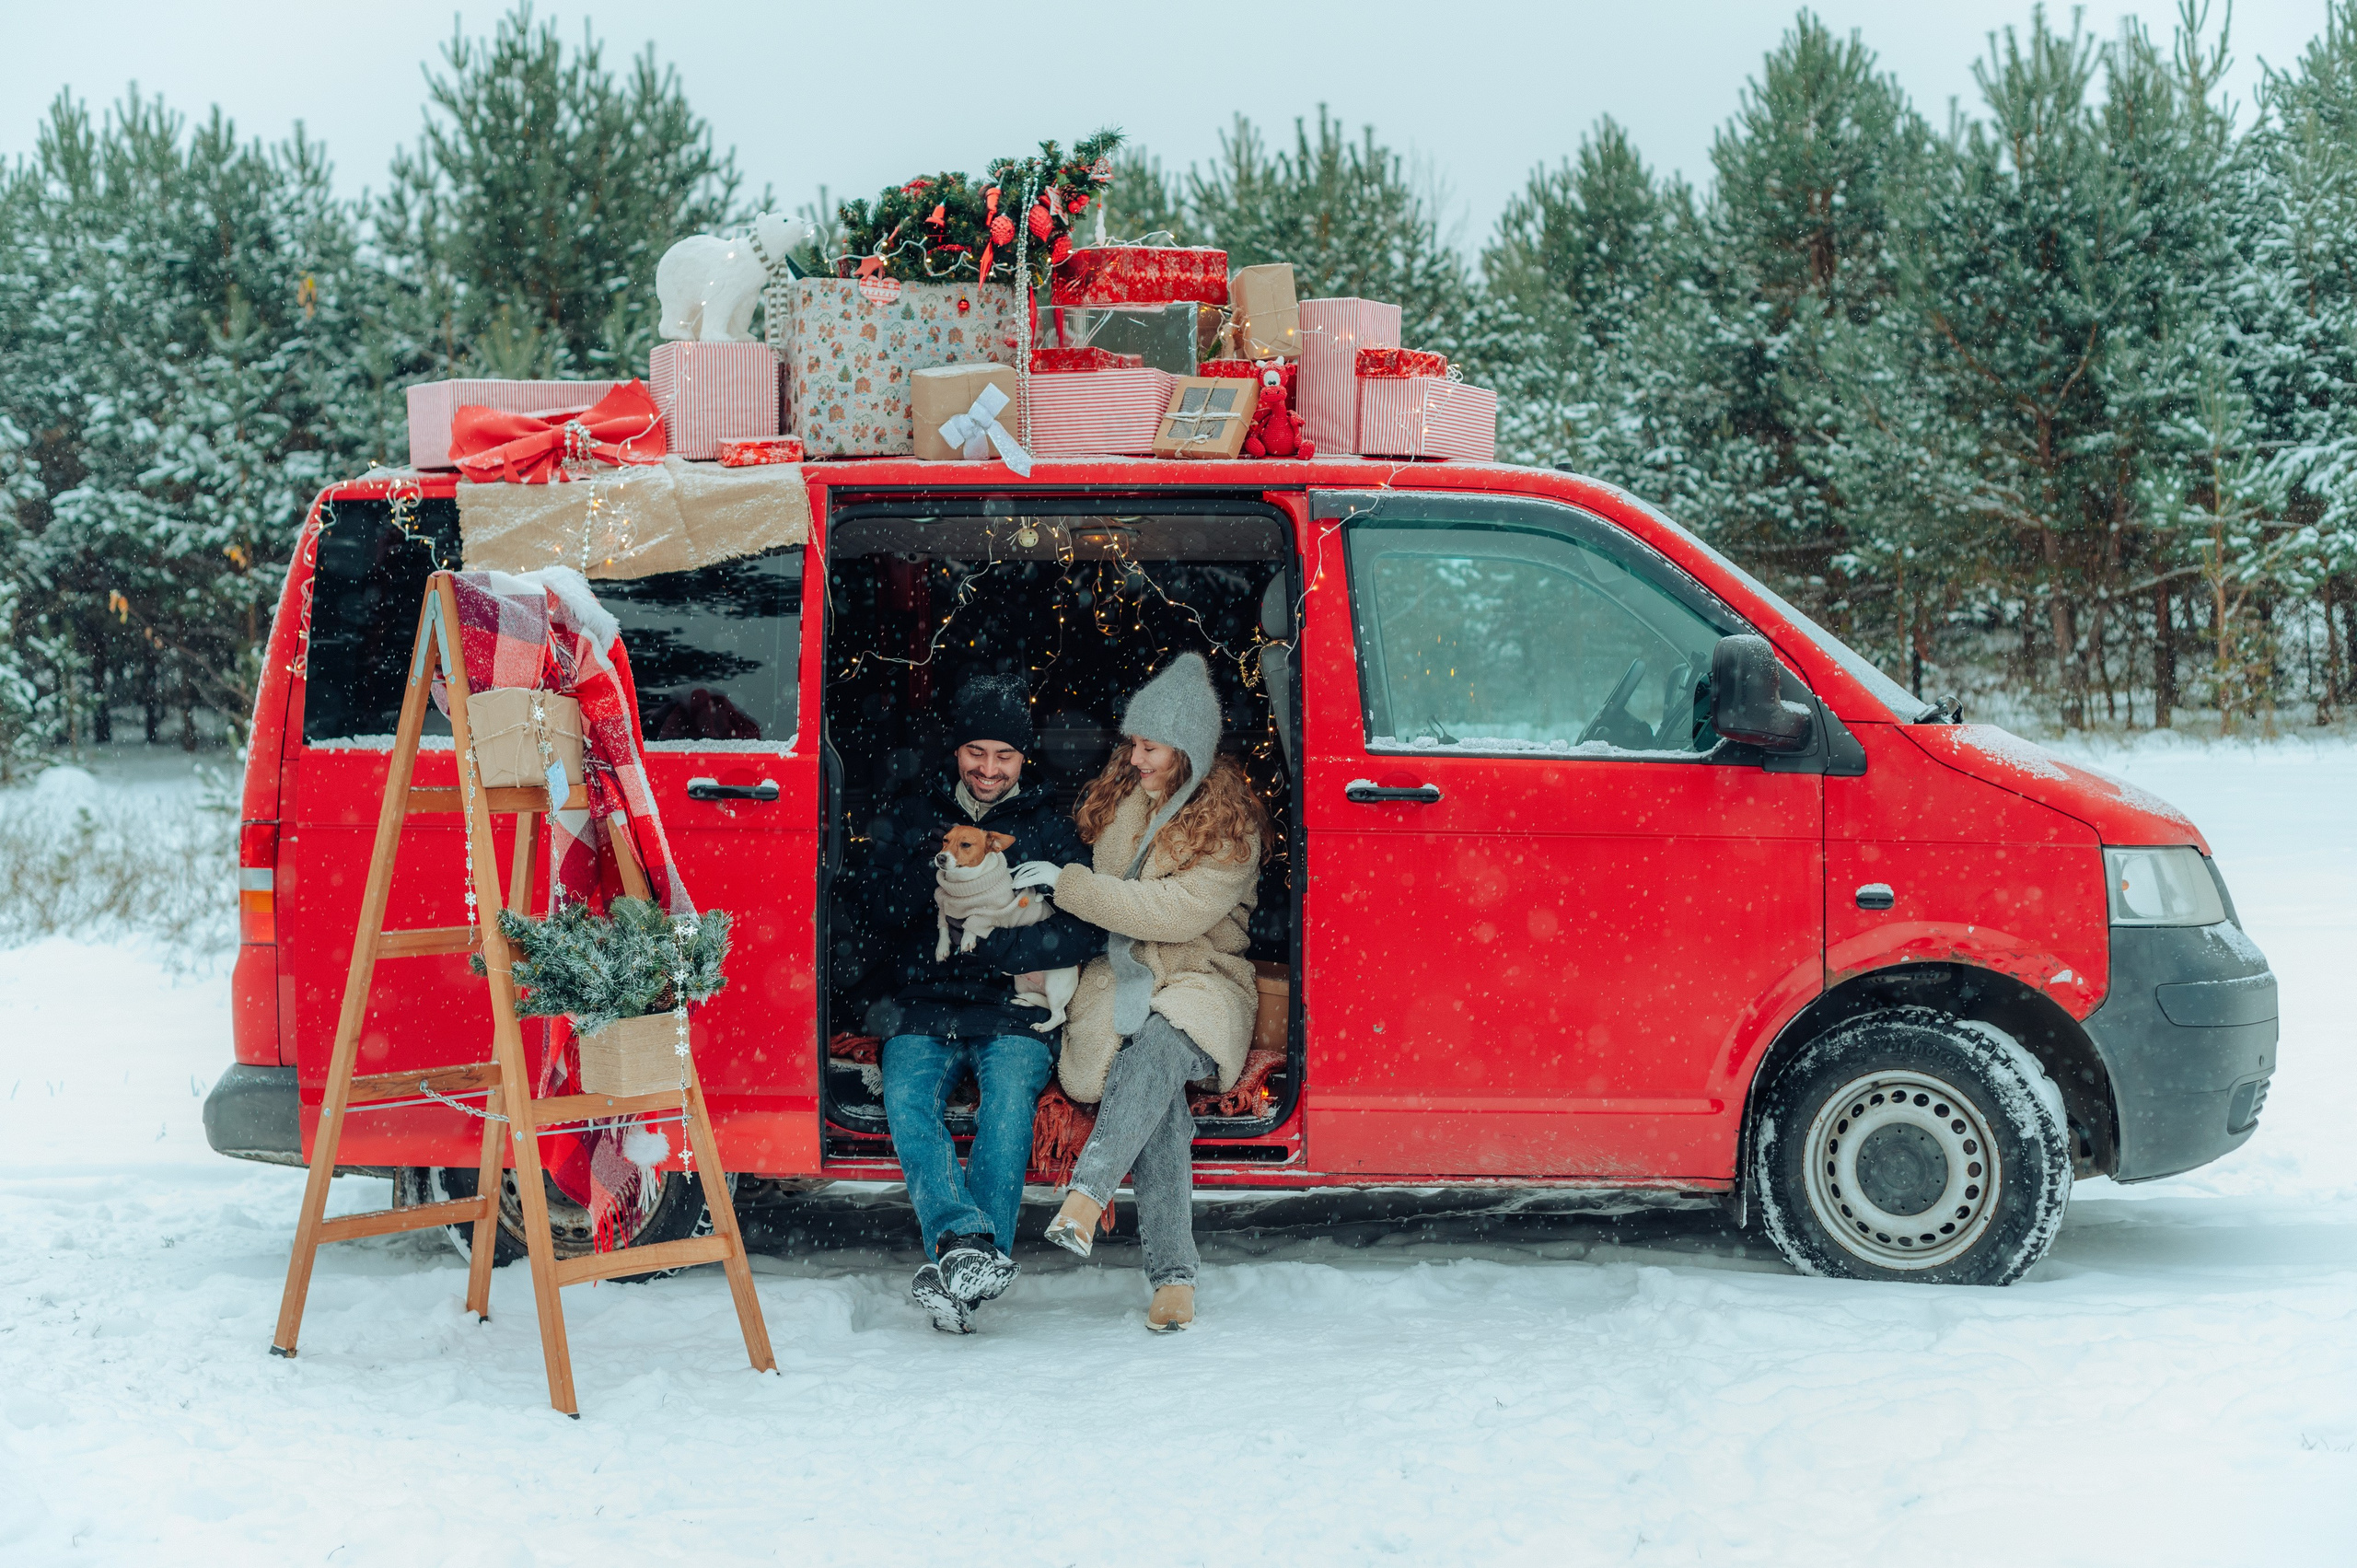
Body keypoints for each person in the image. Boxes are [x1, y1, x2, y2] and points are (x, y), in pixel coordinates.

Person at [1039, 653, 1269, 1331]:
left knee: (1161, 1042)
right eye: (1132, 742)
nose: (1133, 756)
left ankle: (1089, 1193)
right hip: (1121, 968)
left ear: (1188, 749)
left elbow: (1171, 912)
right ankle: (1173, 1277)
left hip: (1202, 975)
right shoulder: (1120, 797)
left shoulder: (1233, 827)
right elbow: (1118, 907)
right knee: (1155, 1084)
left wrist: (1073, 886)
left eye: (1149, 745)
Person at [859, 675, 1096, 1333]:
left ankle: (965, 1253)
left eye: (1005, 756)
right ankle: (972, 1244)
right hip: (923, 1003)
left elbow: (1082, 928)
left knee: (1009, 1099)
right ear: (957, 751)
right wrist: (924, 876)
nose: (989, 770)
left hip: (1012, 1004)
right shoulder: (916, 813)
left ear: (1024, 759)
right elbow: (873, 912)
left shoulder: (1049, 826)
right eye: (977, 752)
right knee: (907, 1097)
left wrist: (1000, 953)